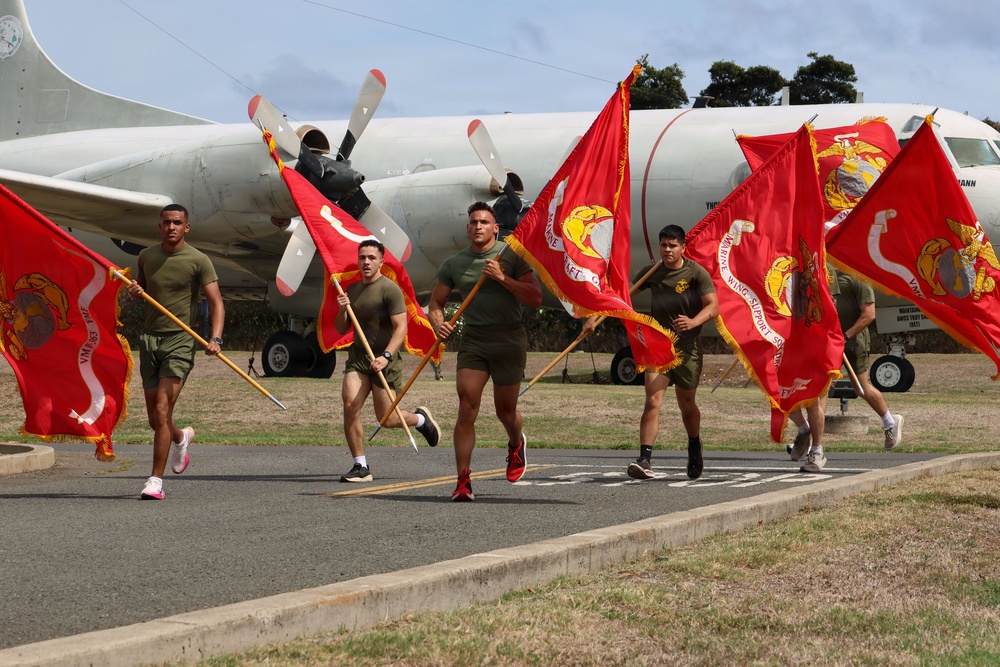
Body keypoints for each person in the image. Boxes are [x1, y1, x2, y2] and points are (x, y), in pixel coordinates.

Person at [428, 202, 542, 501]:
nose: (478, 226)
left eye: (484, 222)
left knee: (506, 411)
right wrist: (439, 325)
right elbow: (436, 304)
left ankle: (516, 444)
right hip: (474, 340)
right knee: (467, 407)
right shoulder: (454, 263)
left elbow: (534, 296)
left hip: (509, 338)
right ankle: (463, 481)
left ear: (495, 228)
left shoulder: (511, 255)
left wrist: (502, 278)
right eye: (473, 222)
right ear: (468, 228)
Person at [586, 224, 718, 481]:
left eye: (672, 246)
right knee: (652, 400)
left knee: (687, 404)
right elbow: (620, 297)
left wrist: (694, 322)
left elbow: (713, 306)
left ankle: (694, 444)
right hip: (659, 346)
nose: (667, 250)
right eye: (663, 245)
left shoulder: (695, 273)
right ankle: (644, 458)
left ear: (683, 247)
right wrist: (594, 318)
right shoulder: (653, 272)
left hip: (687, 346)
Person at [126, 204, 224, 500]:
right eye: (167, 222)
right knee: (156, 421)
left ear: (186, 227)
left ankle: (155, 481)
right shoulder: (146, 256)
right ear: (160, 226)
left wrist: (216, 338)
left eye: (177, 222)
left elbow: (217, 302)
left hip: (181, 340)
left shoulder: (199, 260)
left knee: (162, 410)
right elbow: (142, 286)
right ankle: (181, 437)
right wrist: (135, 290)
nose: (171, 227)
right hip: (149, 341)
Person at [334, 239, 441, 482]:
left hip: (385, 359)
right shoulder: (350, 290)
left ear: (381, 261)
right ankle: (360, 466)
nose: (366, 262)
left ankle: (421, 419)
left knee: (387, 418)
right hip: (359, 358)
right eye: (362, 257)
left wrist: (386, 356)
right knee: (350, 406)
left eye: (371, 258)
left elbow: (401, 328)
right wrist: (342, 309)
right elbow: (341, 329)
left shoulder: (390, 289)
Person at [836, 271, 903, 450]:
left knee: (861, 388)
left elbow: (869, 315)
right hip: (831, 341)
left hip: (854, 342)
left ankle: (890, 423)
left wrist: (846, 336)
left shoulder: (859, 278)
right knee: (819, 388)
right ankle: (808, 437)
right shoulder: (825, 273)